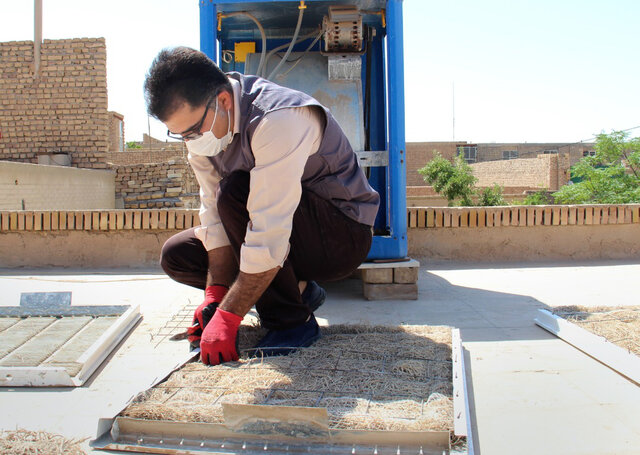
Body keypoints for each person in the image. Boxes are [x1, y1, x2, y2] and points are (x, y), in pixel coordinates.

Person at [144, 47, 380, 366]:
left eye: (193, 131)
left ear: (224, 101)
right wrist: (215, 294)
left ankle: (292, 323)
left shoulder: (278, 117)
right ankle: (299, 291)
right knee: (179, 254)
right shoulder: (204, 138)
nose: (190, 142)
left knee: (236, 192)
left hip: (341, 235)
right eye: (179, 135)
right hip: (289, 233)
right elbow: (214, 222)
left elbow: (268, 231)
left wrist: (228, 316)